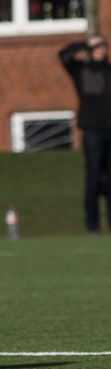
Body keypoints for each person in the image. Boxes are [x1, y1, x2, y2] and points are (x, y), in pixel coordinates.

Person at [60, 35, 111, 234]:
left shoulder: (109, 71)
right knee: (93, 178)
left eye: (103, 46)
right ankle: (93, 225)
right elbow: (63, 55)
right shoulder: (82, 70)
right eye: (97, 47)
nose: (101, 50)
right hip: (92, 132)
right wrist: (84, 44)